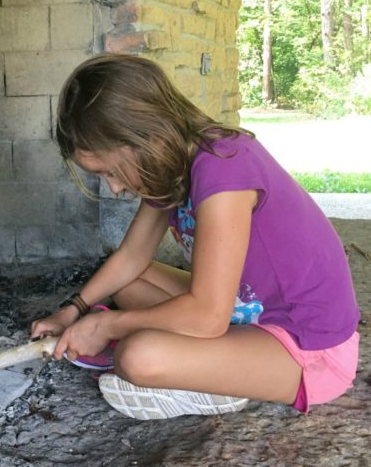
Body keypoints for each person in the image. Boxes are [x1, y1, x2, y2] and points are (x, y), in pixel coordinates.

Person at [30, 54, 360, 420]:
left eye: (112, 171)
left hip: (308, 349)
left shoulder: (224, 168)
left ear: (143, 137)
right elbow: (131, 258)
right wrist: (74, 309)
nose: (115, 186)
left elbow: (207, 317)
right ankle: (211, 365)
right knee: (130, 283)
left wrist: (105, 324)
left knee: (137, 356)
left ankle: (217, 385)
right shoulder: (169, 166)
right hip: (248, 311)